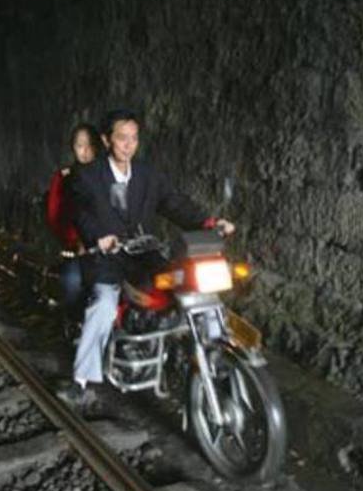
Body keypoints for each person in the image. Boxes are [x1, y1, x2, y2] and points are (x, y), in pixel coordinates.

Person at [60, 109, 235, 405]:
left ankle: (217, 353)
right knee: (103, 306)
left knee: (191, 287)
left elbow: (174, 203)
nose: (129, 145)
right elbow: (80, 211)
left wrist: (209, 222)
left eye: (134, 138)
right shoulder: (87, 175)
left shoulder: (148, 175)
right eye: (122, 138)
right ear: (106, 140)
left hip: (145, 256)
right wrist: (98, 236)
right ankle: (81, 380)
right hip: (108, 258)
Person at [44, 123, 99, 326]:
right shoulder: (64, 178)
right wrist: (74, 240)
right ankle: (75, 324)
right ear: (73, 148)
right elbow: (55, 215)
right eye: (80, 145)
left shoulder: (108, 174)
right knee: (73, 281)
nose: (85, 151)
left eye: (90, 145)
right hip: (79, 249)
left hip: (108, 247)